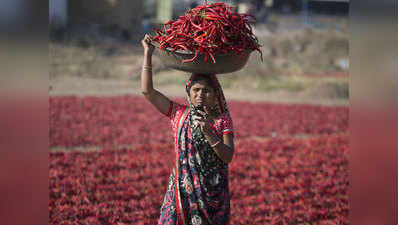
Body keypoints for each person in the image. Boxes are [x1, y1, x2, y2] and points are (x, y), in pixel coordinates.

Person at [141, 34, 235, 225]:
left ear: (215, 94)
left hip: (212, 196)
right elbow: (148, 92)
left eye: (206, 91)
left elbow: (228, 156)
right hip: (181, 192)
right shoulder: (178, 114)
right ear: (189, 93)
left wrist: (208, 131)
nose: (200, 95)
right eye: (196, 90)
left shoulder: (222, 120)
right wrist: (147, 53)